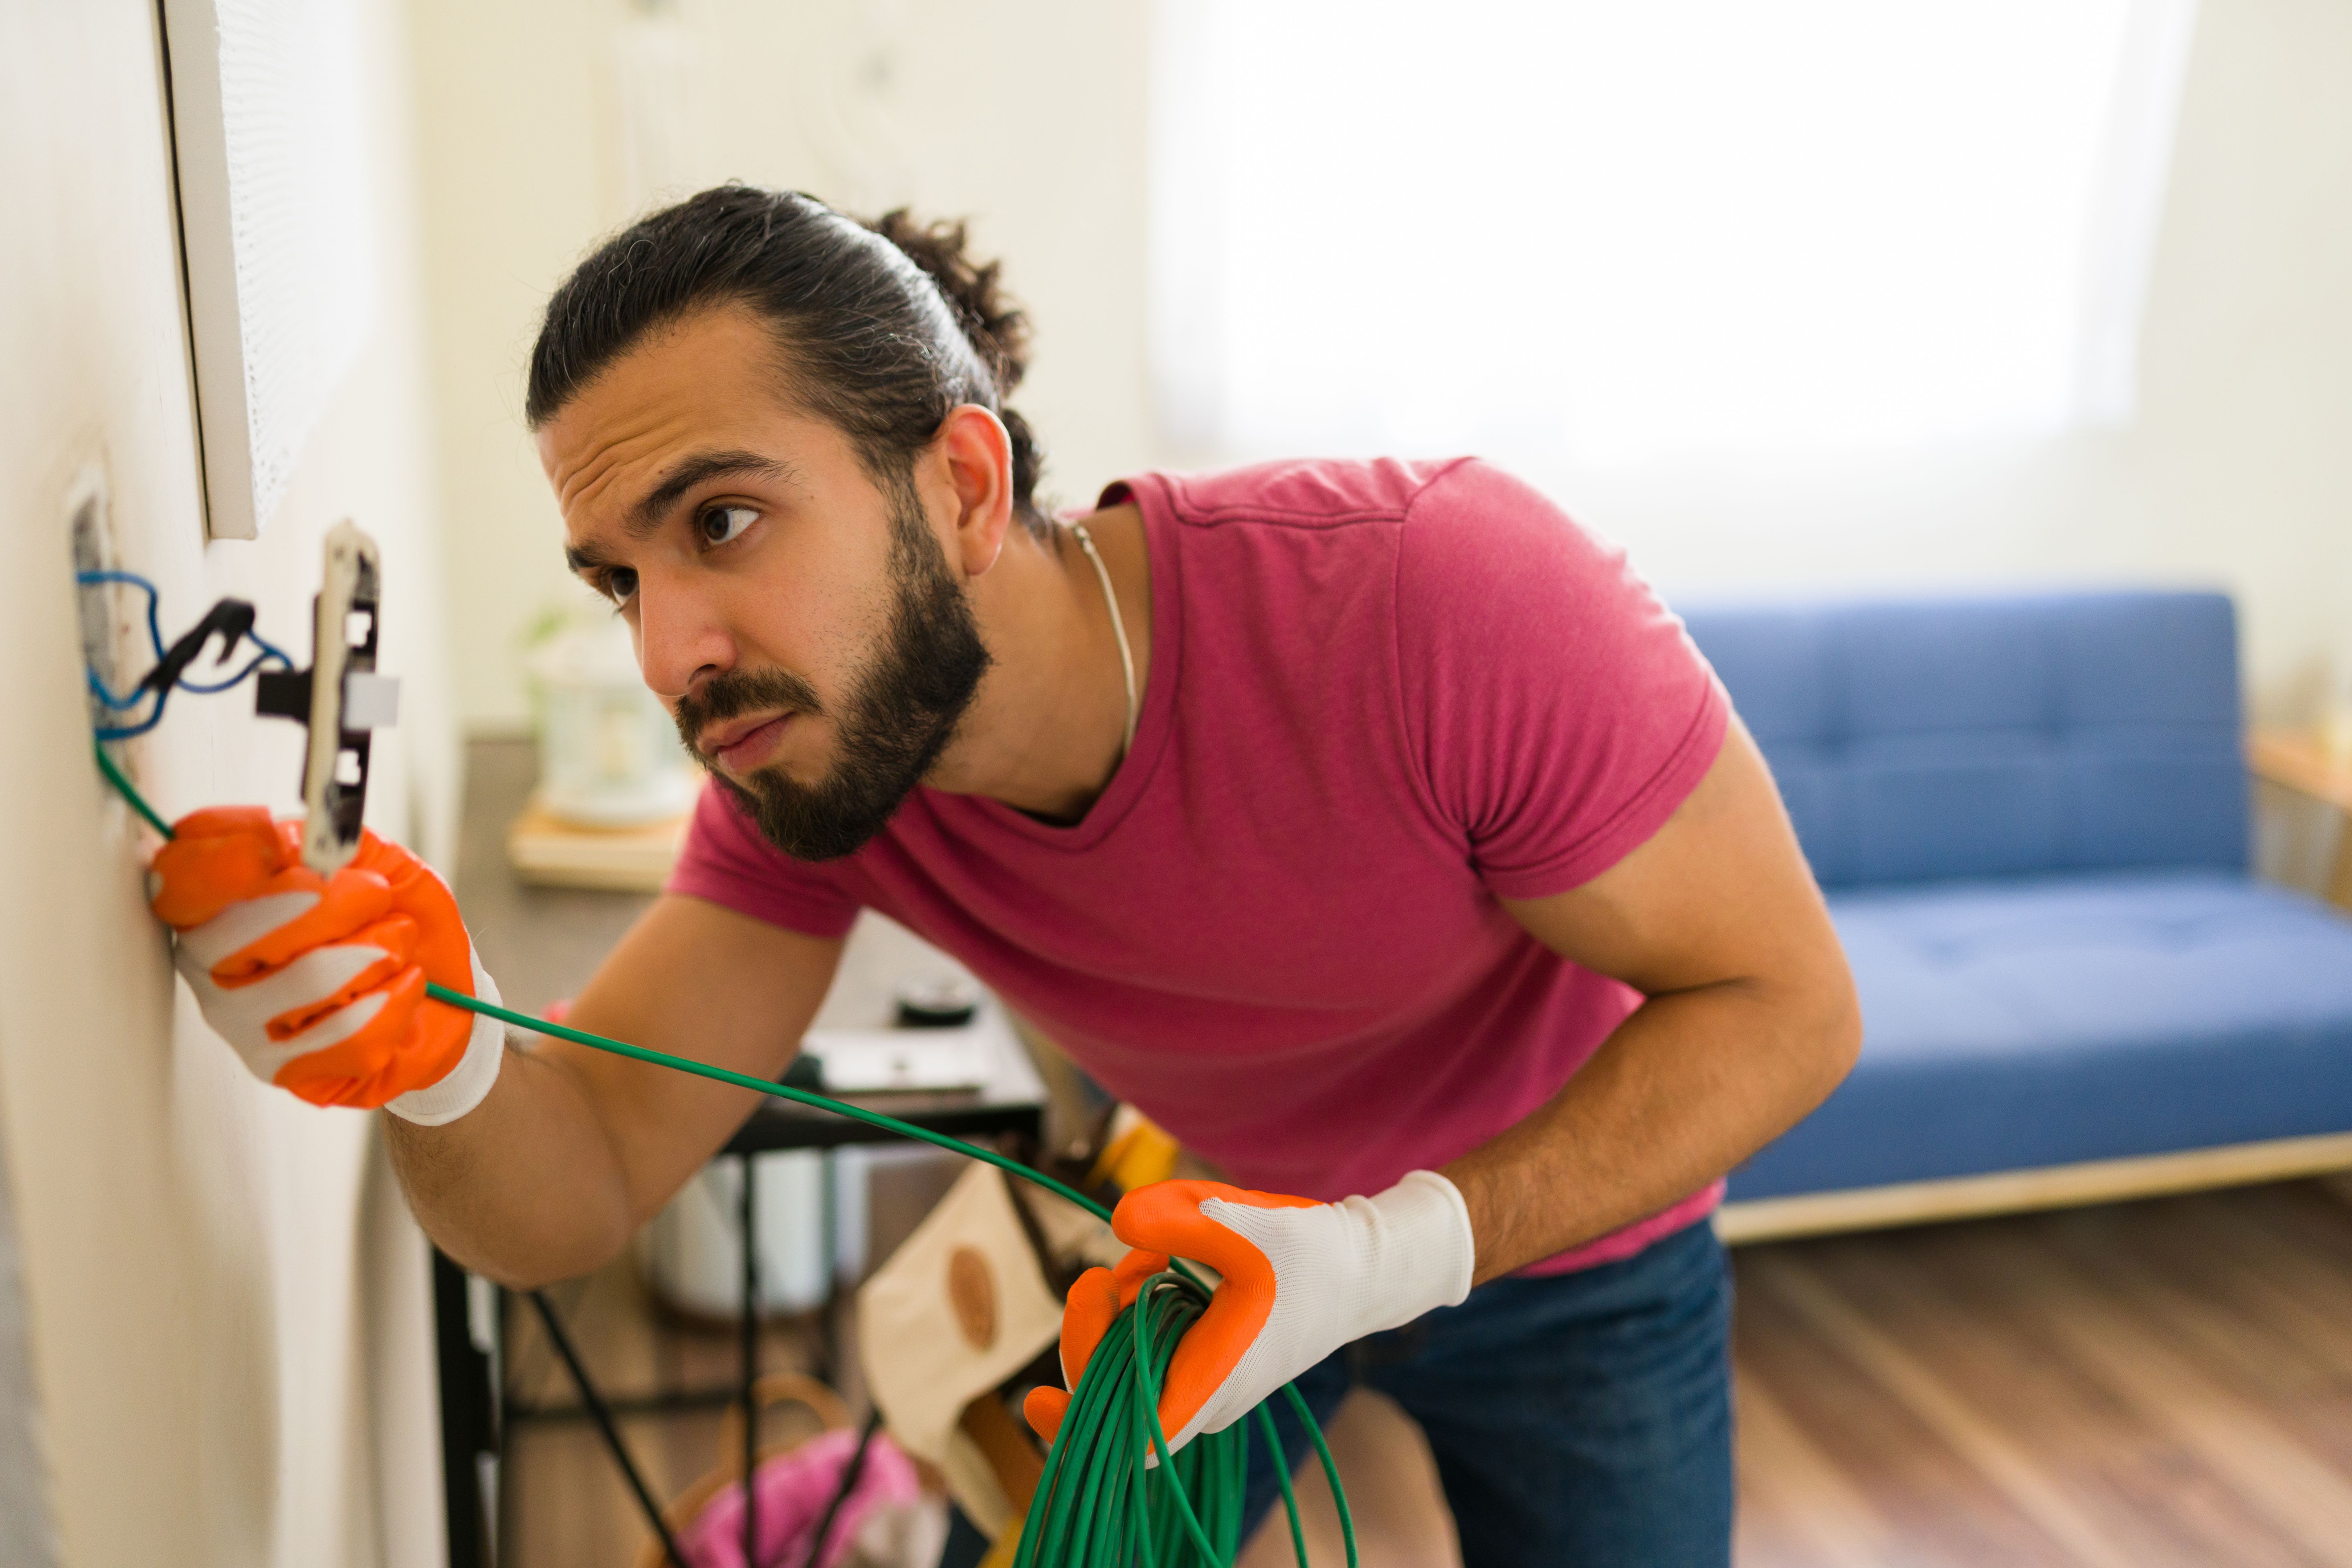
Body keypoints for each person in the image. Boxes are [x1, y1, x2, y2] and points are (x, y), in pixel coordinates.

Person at [150, 185, 1859, 1565]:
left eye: (724, 522)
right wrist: (434, 1059)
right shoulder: (818, 769)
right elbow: (579, 1182)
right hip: (1228, 1243)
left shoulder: (1436, 596)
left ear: (962, 484)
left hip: (1581, 1255)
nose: (668, 651)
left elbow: (1792, 1008)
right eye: (620, 580)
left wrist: (1402, 1249)